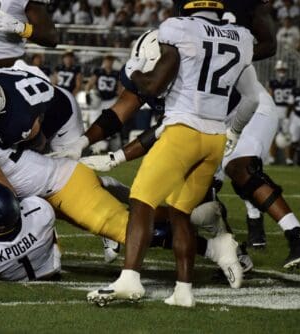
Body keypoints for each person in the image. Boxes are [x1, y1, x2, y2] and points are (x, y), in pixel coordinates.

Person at [87, 0, 254, 307]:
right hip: (215, 137)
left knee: (141, 200)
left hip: (183, 133)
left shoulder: (178, 28)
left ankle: (129, 279)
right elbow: (251, 96)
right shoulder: (239, 36)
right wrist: (234, 132)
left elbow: (152, 85)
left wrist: (137, 71)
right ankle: (183, 291)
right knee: (181, 214)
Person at [268, 60, 296, 165]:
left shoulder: (291, 82)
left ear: (286, 70)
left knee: (287, 135)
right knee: (273, 134)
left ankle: (289, 159)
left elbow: (293, 99)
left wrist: (290, 114)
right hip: (276, 110)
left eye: (283, 69)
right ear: (276, 70)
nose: (281, 71)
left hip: (287, 111)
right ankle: (272, 157)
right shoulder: (272, 82)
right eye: (280, 69)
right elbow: (270, 96)